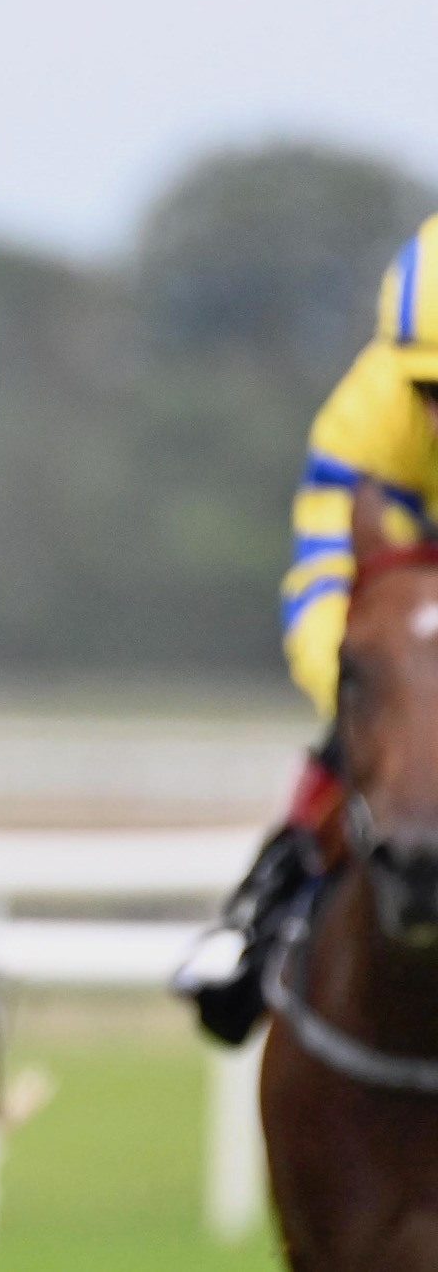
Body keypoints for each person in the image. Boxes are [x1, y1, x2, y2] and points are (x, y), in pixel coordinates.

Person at [175, 216, 438, 1043]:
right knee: (365, 728)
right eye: (430, 393)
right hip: (414, 617)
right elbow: (323, 585)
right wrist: (369, 690)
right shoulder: (362, 422)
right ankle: (259, 918)